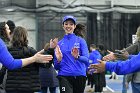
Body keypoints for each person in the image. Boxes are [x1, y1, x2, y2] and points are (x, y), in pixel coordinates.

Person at [54, 15, 89, 93]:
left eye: (71, 24)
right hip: (64, 76)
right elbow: (56, 67)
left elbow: (87, 60)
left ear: (74, 26)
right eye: (66, 24)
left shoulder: (81, 41)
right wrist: (58, 60)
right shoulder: (59, 44)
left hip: (79, 76)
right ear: (63, 26)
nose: (68, 26)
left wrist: (78, 57)